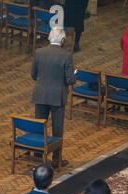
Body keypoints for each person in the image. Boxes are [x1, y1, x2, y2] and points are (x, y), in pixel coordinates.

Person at [31, 28, 76, 168]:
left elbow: (33, 75)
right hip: (57, 97)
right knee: (57, 129)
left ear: (49, 38)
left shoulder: (39, 53)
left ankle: (38, 156)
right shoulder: (66, 56)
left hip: (41, 94)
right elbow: (70, 80)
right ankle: (56, 159)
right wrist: (74, 74)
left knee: (39, 126)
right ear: (62, 40)